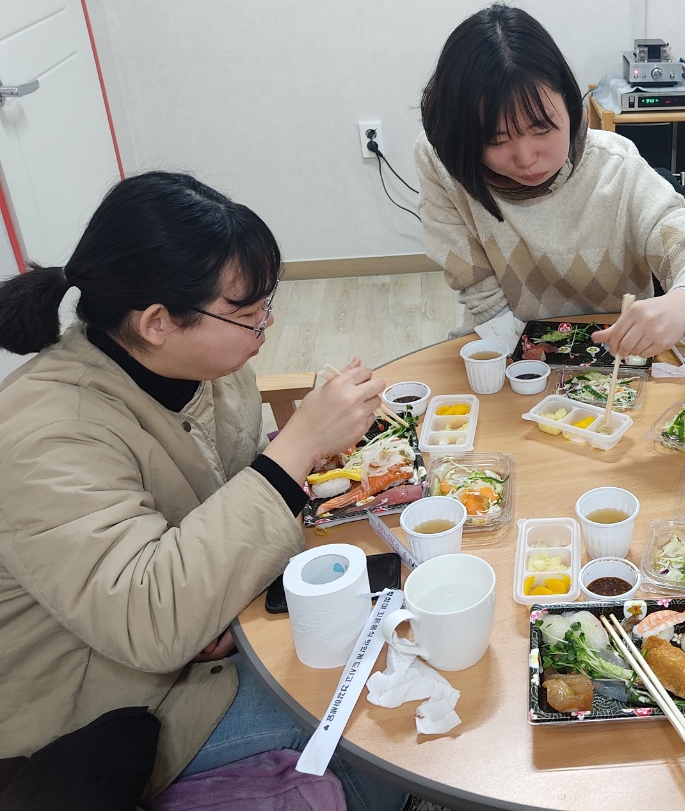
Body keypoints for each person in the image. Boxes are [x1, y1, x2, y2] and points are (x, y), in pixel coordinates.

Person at [0, 172, 408, 810]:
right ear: (157, 321)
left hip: (201, 633)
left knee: (391, 628)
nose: (265, 328)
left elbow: (223, 495)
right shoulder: (47, 435)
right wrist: (298, 444)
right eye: (247, 315)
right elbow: (151, 621)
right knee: (379, 720)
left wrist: (317, 450)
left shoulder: (206, 366)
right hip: (104, 711)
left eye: (266, 306)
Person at [415, 3, 685, 359]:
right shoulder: (444, 162)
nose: (526, 158)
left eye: (542, 128)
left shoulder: (617, 168)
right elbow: (479, 290)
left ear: (571, 107)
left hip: (617, 354)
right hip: (504, 342)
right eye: (496, 140)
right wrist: (528, 362)